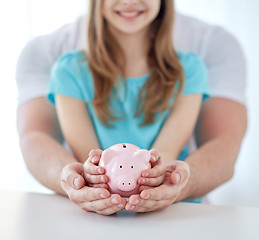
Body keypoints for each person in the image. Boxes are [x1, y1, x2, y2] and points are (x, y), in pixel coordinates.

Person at [16, 0, 247, 215]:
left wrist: (159, 178)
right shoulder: (69, 71)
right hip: (94, 215)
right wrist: (90, 180)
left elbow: (165, 153)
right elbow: (92, 160)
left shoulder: (190, 70)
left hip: (174, 214)